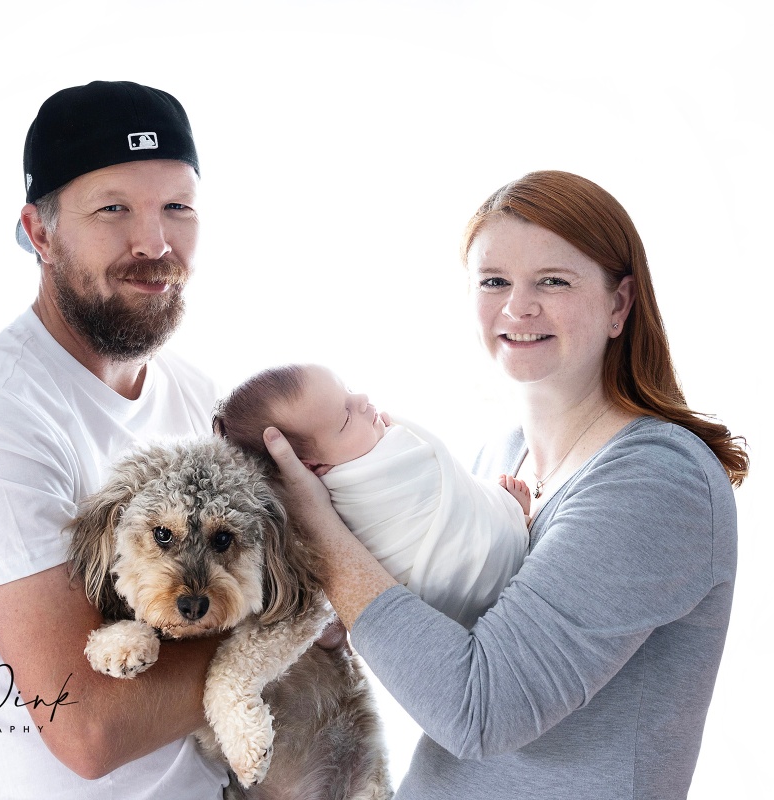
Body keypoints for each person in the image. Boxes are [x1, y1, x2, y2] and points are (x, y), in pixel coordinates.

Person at [262, 170, 747, 799]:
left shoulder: (657, 481)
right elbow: (428, 648)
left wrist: (321, 537)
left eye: (553, 280)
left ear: (619, 305)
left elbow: (477, 710)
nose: (518, 307)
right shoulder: (501, 457)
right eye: (494, 282)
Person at [0, 81, 230, 798]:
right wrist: (289, 623)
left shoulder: (197, 395)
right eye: (113, 209)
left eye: (177, 206)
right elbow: (90, 728)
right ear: (41, 232)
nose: (154, 242)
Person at [212, 362, 531, 627]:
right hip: (460, 582)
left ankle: (498, 513)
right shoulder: (345, 492)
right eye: (346, 417)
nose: (362, 400)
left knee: (453, 495)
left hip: (468, 584)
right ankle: (506, 513)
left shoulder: (370, 450)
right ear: (312, 467)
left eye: (349, 390)